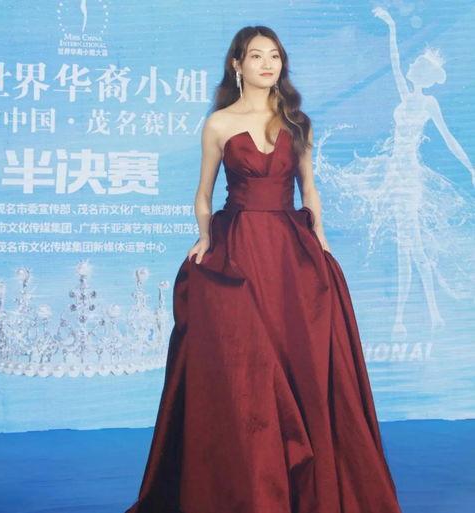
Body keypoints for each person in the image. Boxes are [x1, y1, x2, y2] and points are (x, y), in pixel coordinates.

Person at [125, 25, 403, 513]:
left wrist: (319, 237)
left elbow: (309, 189)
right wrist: (206, 236)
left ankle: (308, 484)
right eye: (256, 56)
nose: (267, 64)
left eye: (274, 55)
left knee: (300, 359)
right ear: (237, 65)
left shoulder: (297, 122)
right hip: (238, 248)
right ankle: (254, 483)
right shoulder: (218, 124)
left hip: (290, 252)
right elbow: (203, 193)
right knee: (249, 366)